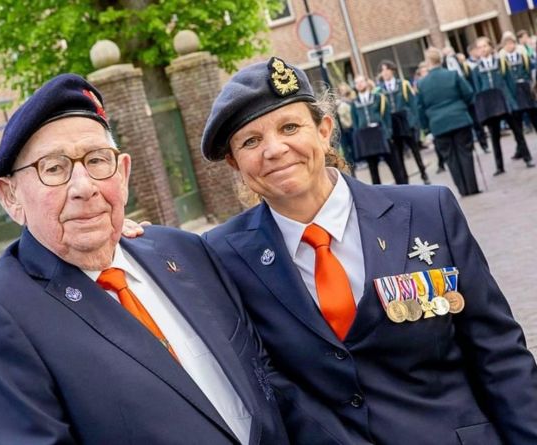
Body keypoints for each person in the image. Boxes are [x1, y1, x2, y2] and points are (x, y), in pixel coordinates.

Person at [0, 74, 307, 445]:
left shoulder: (184, 251)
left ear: (122, 174)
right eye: (53, 168)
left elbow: (266, 380)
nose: (84, 187)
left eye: (96, 161)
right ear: (10, 197)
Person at [198, 57, 537, 444]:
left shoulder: (429, 212)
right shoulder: (221, 254)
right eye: (250, 141)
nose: (274, 150)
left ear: (324, 130)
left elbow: (499, 355)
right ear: (234, 162)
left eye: (289, 127)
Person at [417, 47, 480, 196]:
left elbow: (420, 108)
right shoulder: (452, 75)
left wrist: (426, 128)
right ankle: (472, 188)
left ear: (428, 62)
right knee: (465, 153)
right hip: (459, 118)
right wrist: (463, 107)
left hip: (438, 124)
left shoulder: (422, 84)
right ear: (440, 59)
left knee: (450, 158)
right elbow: (468, 93)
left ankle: (463, 190)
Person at [472, 36, 534, 174]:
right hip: (490, 106)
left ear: (491, 47)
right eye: (479, 47)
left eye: (484, 46)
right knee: (495, 137)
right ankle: (499, 166)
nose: (482, 49)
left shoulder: (501, 63)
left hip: (505, 101)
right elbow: (477, 89)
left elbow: (511, 83)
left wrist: (511, 100)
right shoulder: (476, 70)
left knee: (517, 132)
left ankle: (527, 157)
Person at [378, 59, 430, 184]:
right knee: (398, 152)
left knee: (414, 149)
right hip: (392, 122)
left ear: (392, 70)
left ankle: (423, 172)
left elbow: (412, 104)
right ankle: (404, 178)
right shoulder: (379, 90)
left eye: (387, 69)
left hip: (404, 119)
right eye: (382, 70)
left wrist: (414, 122)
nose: (385, 73)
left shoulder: (403, 84)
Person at [350, 74, 407, 184]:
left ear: (366, 83)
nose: (359, 84)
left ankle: (403, 188)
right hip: (366, 138)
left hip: (380, 134)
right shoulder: (354, 103)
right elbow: (355, 123)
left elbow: (386, 117)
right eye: (357, 83)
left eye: (361, 81)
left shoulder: (378, 98)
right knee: (373, 171)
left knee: (395, 166)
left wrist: (388, 133)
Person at [502, 32, 537, 155]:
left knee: (534, 117)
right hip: (514, 92)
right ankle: (523, 151)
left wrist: (531, 83)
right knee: (518, 126)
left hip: (526, 89)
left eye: (512, 43)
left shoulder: (523, 55)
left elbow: (531, 69)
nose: (510, 46)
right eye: (507, 44)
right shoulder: (502, 59)